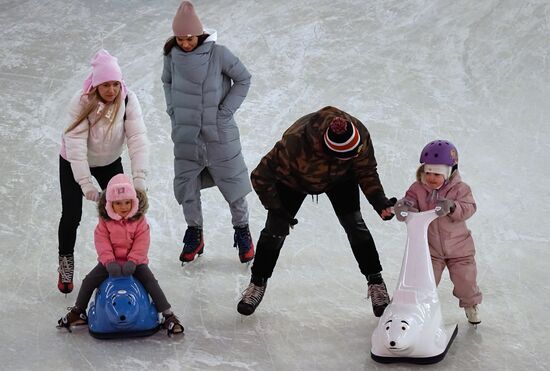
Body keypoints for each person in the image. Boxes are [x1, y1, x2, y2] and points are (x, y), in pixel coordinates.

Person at [237, 106, 397, 317]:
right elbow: (260, 176)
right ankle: (257, 283)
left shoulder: (359, 135)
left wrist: (379, 201)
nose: (353, 158)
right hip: (293, 181)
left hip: (340, 179)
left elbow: (366, 170)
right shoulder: (295, 143)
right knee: (275, 230)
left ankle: (375, 281)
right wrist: (277, 210)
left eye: (354, 154)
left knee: (355, 225)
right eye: (346, 156)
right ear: (329, 152)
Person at [161, 1, 254, 264]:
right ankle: (195, 232)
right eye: (180, 38)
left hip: (219, 134)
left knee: (233, 185)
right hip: (187, 134)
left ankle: (243, 231)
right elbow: (166, 82)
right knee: (187, 186)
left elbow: (244, 78)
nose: (185, 43)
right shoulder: (171, 57)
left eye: (189, 38)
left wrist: (224, 113)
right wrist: (173, 112)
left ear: (199, 34)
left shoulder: (218, 54)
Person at [57, 49, 149, 294]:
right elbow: (75, 145)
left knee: (126, 211)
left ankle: (129, 263)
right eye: (105, 85)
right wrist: (86, 184)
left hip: (109, 162)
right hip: (74, 162)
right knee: (71, 215)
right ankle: (66, 262)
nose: (111, 90)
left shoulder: (128, 100)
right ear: (96, 85)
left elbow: (137, 139)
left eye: (115, 84)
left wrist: (138, 179)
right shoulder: (82, 101)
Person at [57, 174, 184, 336]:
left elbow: (142, 242)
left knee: (151, 281)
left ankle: (168, 315)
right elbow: (102, 241)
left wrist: (133, 260)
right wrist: (109, 261)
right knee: (89, 280)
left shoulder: (139, 220)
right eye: (118, 203)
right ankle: (78, 311)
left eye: (127, 202)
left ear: (134, 201)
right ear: (110, 204)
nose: (124, 207)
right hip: (110, 263)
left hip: (135, 263)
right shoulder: (105, 221)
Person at [393, 139, 482, 325]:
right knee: (424, 283)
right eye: (428, 173)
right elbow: (409, 201)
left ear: (449, 173)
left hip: (459, 248)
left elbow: (470, 207)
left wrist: (453, 206)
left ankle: (470, 305)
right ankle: (420, 311)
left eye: (437, 174)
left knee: (465, 282)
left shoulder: (460, 189)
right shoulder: (417, 188)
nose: (432, 178)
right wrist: (404, 207)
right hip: (431, 250)